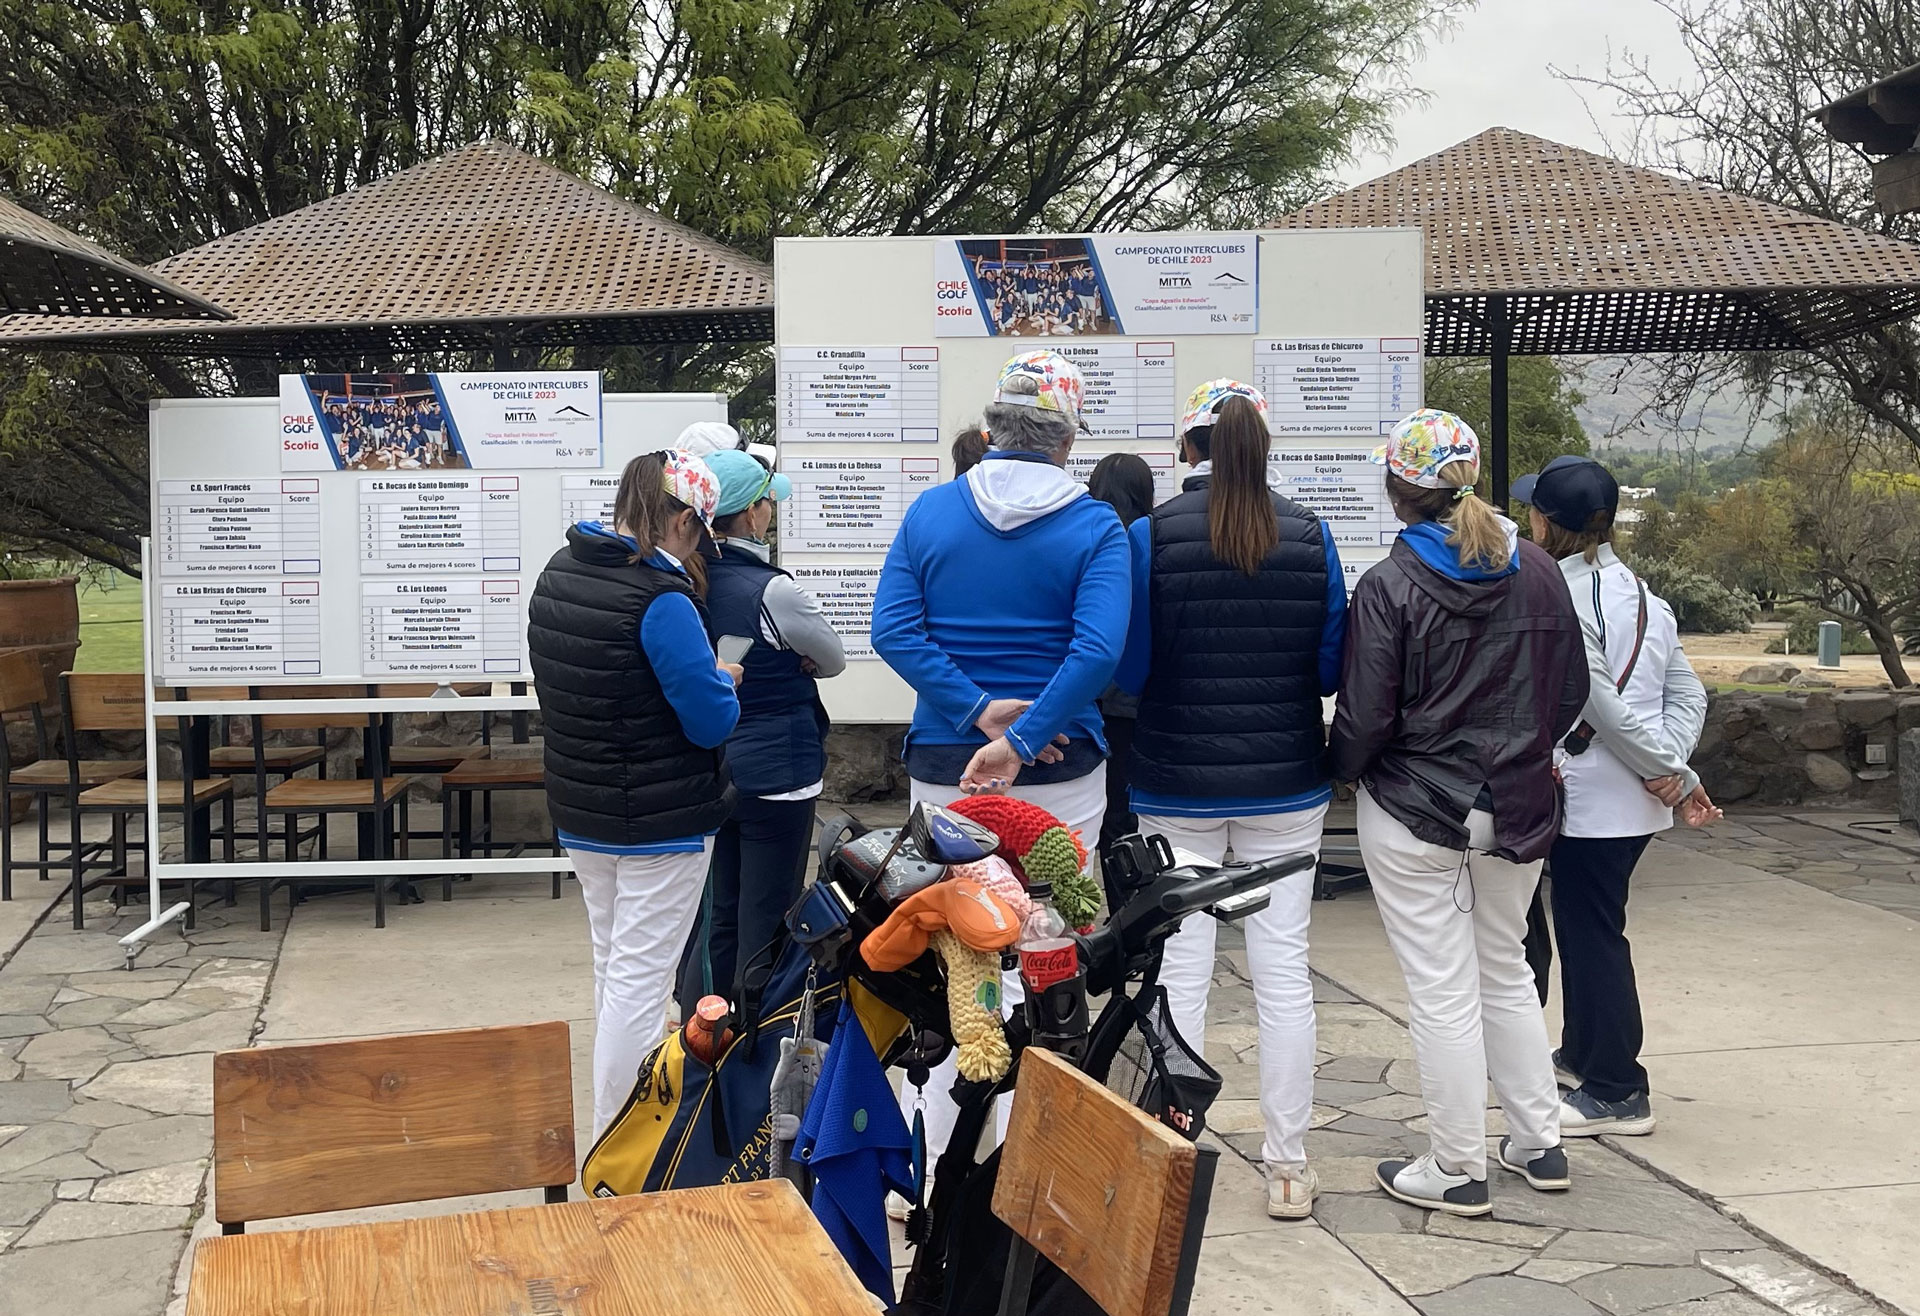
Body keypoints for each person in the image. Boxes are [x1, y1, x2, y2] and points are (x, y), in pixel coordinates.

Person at [871, 347, 1129, 1191]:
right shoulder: (1095, 527)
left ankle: (931, 1167)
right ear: (1067, 441)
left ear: (990, 431)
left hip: (947, 763)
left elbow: (893, 630)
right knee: (1048, 951)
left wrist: (978, 712)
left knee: (946, 948)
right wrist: (1023, 738)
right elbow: (1098, 651)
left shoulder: (931, 512)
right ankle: (1030, 1169)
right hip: (1060, 769)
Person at [1329, 409, 1589, 1217]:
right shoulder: (1538, 568)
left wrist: (1341, 772)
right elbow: (1571, 692)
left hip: (1416, 807)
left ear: (1397, 488)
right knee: (1506, 967)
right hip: (1517, 803)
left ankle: (1455, 1166)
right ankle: (1538, 1143)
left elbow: (1365, 716)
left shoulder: (1390, 583)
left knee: (1442, 989)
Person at [1114, 381, 1346, 1219]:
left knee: (1180, 969)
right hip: (1287, 779)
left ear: (1188, 448)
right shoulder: (1310, 534)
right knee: (1284, 971)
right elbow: (1331, 665)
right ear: (1262, 446)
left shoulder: (1148, 536)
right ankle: (1287, 1167)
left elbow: (1131, 669)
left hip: (1174, 778)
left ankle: (1172, 1150)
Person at [527, 449, 742, 1137]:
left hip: (583, 809)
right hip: (661, 819)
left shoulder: (560, 572)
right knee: (642, 985)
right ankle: (620, 1146)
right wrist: (722, 681)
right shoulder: (661, 598)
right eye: (699, 531)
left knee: (614, 970)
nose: (697, 547)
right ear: (681, 520)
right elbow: (709, 721)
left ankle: (612, 1133)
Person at [1512, 455, 1720, 1139]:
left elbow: (1598, 703)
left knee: (1593, 934)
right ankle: (1581, 1053)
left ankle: (1617, 1088)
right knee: (1585, 926)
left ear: (1547, 523)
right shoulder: (1644, 594)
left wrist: (1670, 771)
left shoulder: (1564, 597)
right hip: (1631, 799)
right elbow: (1687, 693)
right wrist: (1671, 768)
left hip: (1594, 797)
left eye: (1532, 510)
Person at [678, 449, 847, 1012]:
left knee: (717, 915)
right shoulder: (773, 590)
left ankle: (703, 1032)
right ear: (751, 514)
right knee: (769, 917)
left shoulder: (681, 582)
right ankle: (758, 1033)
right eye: (769, 501)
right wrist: (795, 659)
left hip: (711, 769)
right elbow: (832, 660)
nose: (772, 511)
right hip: (779, 774)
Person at [1086, 451, 1155, 883]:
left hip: (1092, 697)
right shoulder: (1152, 539)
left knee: (1108, 815)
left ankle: (1118, 905)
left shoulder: (1087, 538)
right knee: (1136, 815)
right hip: (1142, 699)